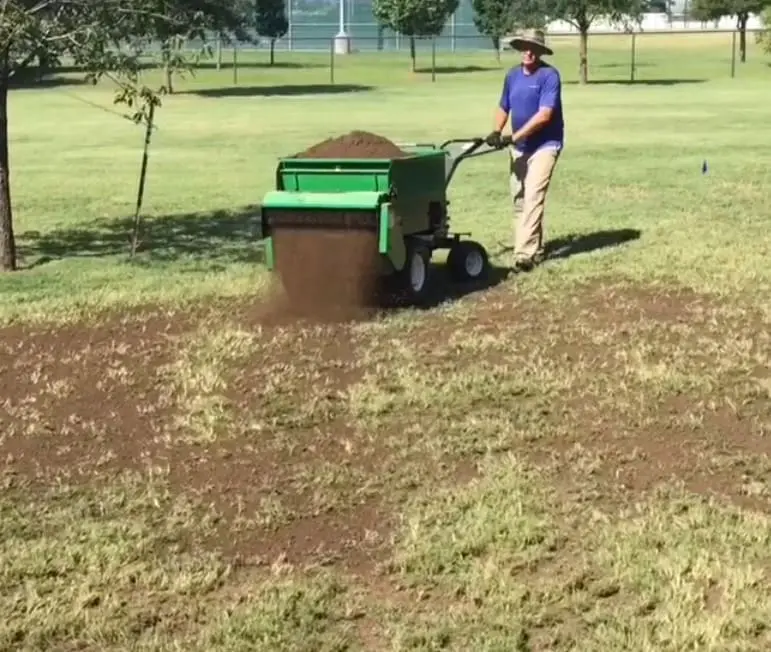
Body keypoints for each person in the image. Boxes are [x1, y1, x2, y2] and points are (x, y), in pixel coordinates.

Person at [486, 28, 564, 272]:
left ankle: (524, 255)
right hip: (519, 148)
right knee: (519, 200)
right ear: (520, 49)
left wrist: (513, 136)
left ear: (540, 52)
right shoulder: (512, 76)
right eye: (525, 47)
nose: (529, 52)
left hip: (545, 145)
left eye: (534, 48)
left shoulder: (549, 76)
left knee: (533, 196)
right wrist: (496, 131)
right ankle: (535, 247)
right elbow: (503, 106)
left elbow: (545, 115)